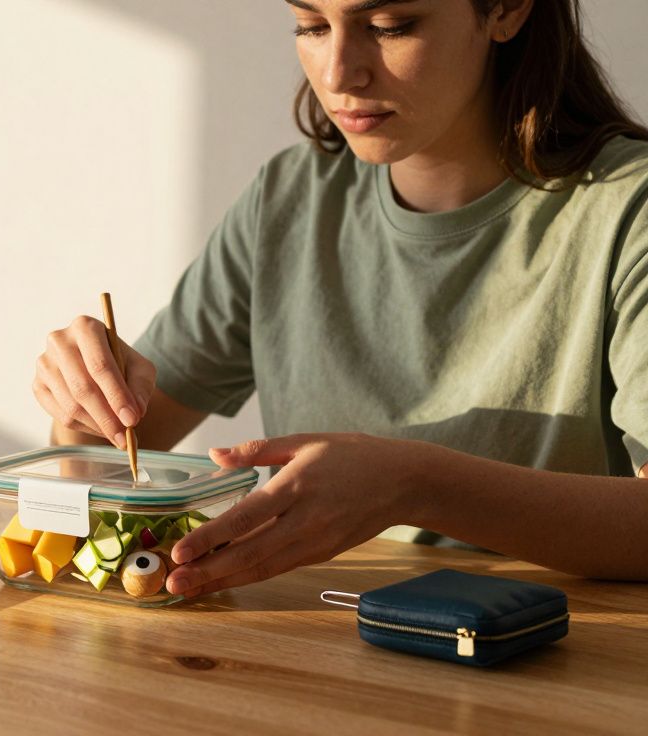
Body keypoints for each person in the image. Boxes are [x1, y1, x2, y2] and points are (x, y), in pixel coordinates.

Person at [33, 0, 648, 599]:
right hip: (311, 651)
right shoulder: (288, 199)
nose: (337, 73)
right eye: (310, 25)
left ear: (508, 9)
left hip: (554, 667)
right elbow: (107, 456)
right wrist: (84, 401)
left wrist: (414, 485)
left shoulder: (629, 210)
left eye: (389, 25)